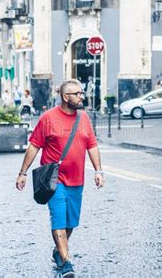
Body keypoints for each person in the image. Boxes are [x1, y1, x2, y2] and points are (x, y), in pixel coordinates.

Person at [15, 79, 104, 276]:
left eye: (81, 93)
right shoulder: (48, 118)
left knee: (71, 223)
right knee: (58, 219)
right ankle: (66, 262)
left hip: (77, 179)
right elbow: (34, 146)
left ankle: (58, 251)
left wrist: (98, 170)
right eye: (77, 94)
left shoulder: (84, 118)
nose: (82, 96)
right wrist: (23, 173)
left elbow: (92, 145)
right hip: (54, 181)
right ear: (65, 97)